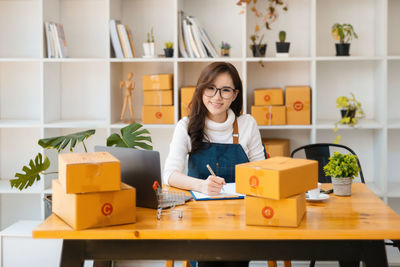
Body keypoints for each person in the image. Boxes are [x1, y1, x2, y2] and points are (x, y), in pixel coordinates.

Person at [163, 62, 266, 267]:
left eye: (225, 90)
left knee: (233, 255)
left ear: (235, 95)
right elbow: (169, 174)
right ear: (201, 90)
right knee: (207, 255)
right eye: (211, 88)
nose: (217, 97)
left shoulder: (247, 124)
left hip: (240, 218)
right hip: (199, 219)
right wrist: (201, 185)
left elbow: (262, 172)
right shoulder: (186, 126)